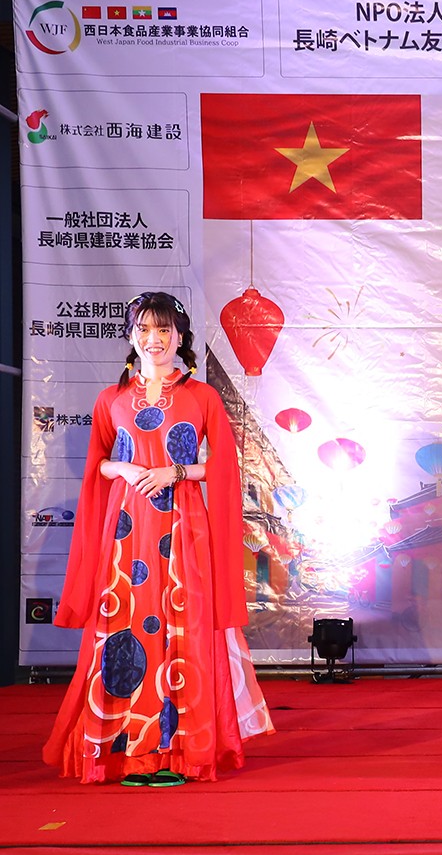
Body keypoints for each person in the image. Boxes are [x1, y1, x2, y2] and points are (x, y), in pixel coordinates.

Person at [43, 291, 273, 785]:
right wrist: (123, 467)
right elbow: (98, 464)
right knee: (121, 627)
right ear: (132, 336)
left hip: (183, 527)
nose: (155, 339)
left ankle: (181, 752)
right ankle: (124, 752)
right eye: (145, 329)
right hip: (125, 531)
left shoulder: (202, 396)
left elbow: (224, 468)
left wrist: (177, 471)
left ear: (181, 337)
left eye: (165, 330)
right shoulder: (111, 399)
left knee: (182, 629)